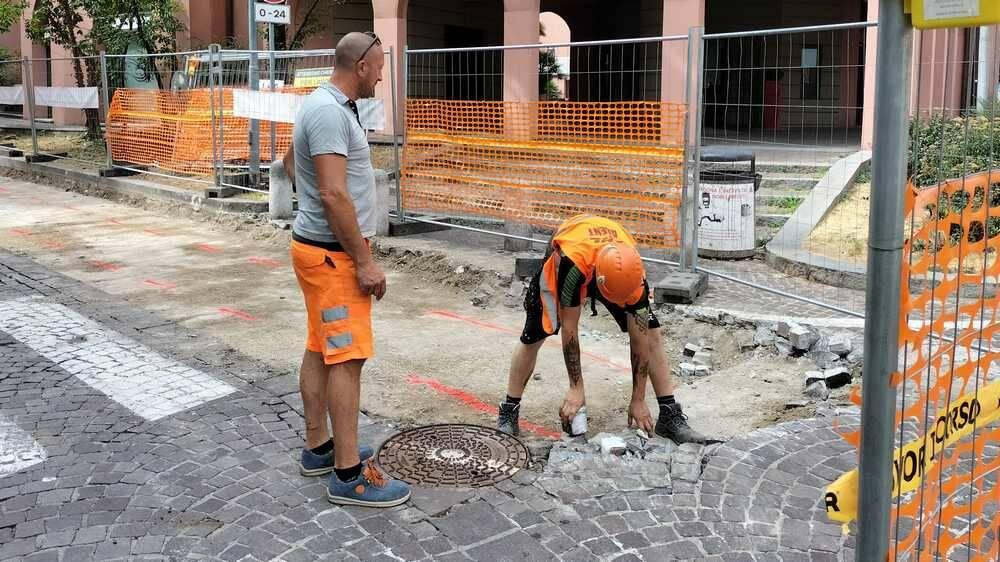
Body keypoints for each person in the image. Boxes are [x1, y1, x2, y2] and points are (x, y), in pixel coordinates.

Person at [282, 31, 409, 507]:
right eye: (378, 67)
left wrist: (313, 201)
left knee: (320, 347)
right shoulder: (331, 112)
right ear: (360, 66)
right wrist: (365, 261)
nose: (381, 75)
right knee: (347, 358)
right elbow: (334, 194)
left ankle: (319, 446)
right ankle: (348, 473)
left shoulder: (320, 105)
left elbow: (292, 162)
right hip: (333, 257)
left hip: (317, 248)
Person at [496, 214, 707, 444]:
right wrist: (576, 388)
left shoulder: (634, 274)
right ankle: (509, 410)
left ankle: (669, 414)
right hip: (566, 258)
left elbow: (640, 339)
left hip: (610, 268)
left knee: (652, 332)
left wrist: (638, 399)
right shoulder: (572, 265)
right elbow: (570, 330)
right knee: (534, 334)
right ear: (600, 282)